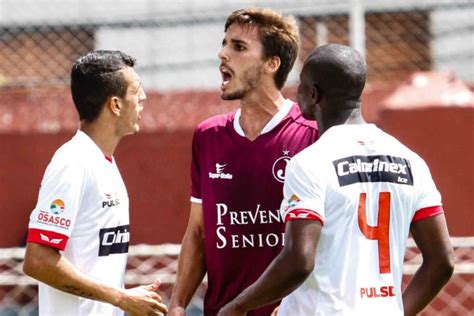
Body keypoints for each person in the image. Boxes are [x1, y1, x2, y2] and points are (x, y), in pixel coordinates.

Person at [218, 44, 455, 316]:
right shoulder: (411, 162)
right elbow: (442, 261)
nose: (296, 94)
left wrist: (238, 306)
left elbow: (298, 261)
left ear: (314, 95)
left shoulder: (310, 163)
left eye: (301, 86)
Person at [169, 7, 319, 316]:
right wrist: (178, 304)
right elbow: (198, 231)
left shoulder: (312, 134)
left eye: (238, 47)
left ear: (271, 64)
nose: (223, 54)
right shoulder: (208, 136)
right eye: (224, 44)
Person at [23, 50, 168, 316]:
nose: (143, 97)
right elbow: (38, 260)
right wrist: (120, 298)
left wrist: (122, 300)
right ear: (115, 104)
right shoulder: (73, 163)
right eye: (137, 90)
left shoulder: (104, 163)